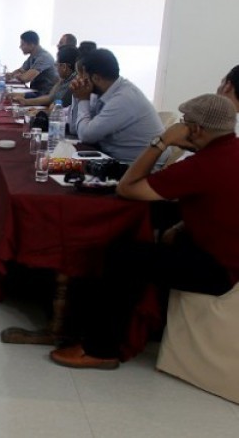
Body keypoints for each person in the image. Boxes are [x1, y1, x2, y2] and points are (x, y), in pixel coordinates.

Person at [50, 94, 239, 370]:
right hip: (222, 248)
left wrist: (161, 141)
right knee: (156, 218)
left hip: (219, 269)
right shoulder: (230, 151)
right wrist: (180, 226)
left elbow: (127, 188)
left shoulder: (202, 165)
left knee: (122, 255)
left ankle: (101, 349)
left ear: (196, 129)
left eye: (184, 122)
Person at [70, 49, 165, 163]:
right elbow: (74, 129)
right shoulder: (106, 92)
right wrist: (77, 95)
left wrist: (83, 99)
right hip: (113, 158)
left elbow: (86, 136)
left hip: (135, 166)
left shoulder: (123, 98)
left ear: (96, 78)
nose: (80, 80)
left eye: (83, 76)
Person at [11, 45, 79, 108]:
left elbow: (55, 108)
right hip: (41, 96)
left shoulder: (72, 84)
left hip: (44, 96)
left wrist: (40, 111)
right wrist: (25, 102)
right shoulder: (64, 78)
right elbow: (50, 97)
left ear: (64, 67)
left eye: (56, 64)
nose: (55, 67)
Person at [7, 30, 59, 95]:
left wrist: (16, 76)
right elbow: (21, 70)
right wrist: (11, 75)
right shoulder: (33, 56)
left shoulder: (44, 57)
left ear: (31, 45)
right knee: (8, 93)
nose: (20, 47)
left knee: (9, 95)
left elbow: (26, 78)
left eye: (22, 44)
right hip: (35, 91)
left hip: (44, 94)